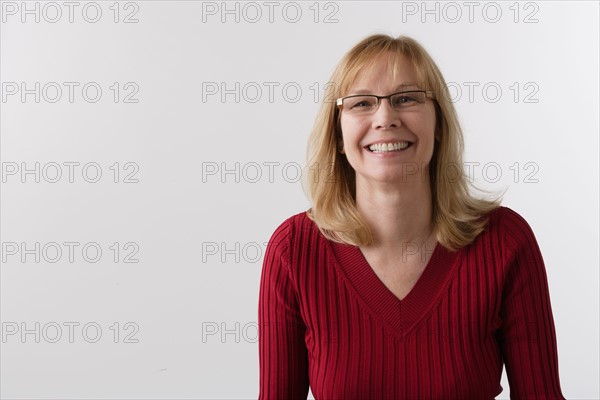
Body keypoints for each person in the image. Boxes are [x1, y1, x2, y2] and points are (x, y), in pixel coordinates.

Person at [258, 34, 565, 399]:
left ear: (438, 125)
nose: (385, 118)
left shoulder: (506, 241)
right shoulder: (294, 251)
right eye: (362, 103)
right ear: (338, 134)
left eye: (406, 99)